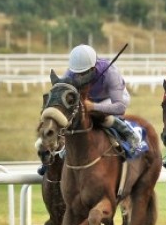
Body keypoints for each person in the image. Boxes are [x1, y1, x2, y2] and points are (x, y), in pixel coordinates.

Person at [37, 44, 140, 176]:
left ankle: (130, 135)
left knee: (97, 115)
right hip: (87, 99)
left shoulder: (110, 72)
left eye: (85, 73)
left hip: (114, 99)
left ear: (94, 67)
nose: (80, 77)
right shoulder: (70, 73)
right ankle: (54, 155)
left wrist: (93, 107)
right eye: (78, 73)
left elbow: (120, 107)